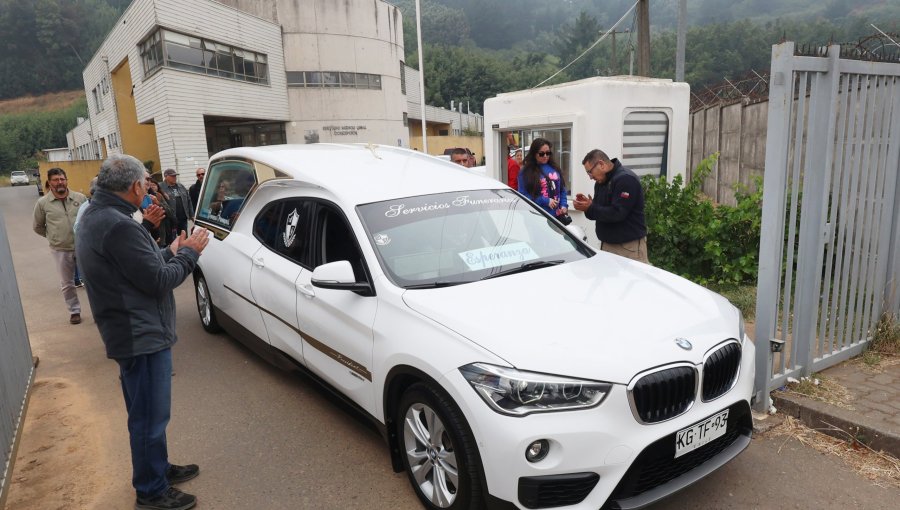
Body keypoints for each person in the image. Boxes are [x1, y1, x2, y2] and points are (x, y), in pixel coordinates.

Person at [75, 154, 209, 510]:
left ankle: (158, 469)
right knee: (149, 417)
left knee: (148, 413)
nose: (148, 191)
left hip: (131, 329)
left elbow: (137, 267)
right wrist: (190, 254)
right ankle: (151, 491)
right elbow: (157, 281)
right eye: (146, 186)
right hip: (139, 334)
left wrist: (170, 249)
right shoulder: (117, 224)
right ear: (135, 186)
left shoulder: (99, 216)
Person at [574, 149, 649, 263]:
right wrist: (587, 207)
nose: (590, 177)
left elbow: (617, 213)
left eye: (590, 172)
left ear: (601, 164)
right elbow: (598, 213)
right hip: (607, 245)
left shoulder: (625, 179)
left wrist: (591, 207)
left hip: (628, 248)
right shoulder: (600, 183)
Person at [33, 167, 86, 325]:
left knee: (91, 279)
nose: (59, 182)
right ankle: (74, 311)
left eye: (62, 179)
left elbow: (89, 219)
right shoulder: (43, 203)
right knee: (67, 283)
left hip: (83, 247)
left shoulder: (80, 198)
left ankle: (100, 311)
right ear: (50, 183)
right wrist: (53, 237)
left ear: (66, 180)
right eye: (56, 180)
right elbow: (38, 226)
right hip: (60, 250)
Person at [517, 138, 569, 223]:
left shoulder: (554, 168)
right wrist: (546, 201)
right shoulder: (525, 172)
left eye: (548, 153)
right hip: (536, 218)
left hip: (557, 218)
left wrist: (564, 205)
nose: (545, 156)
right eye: (541, 154)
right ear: (534, 154)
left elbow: (562, 189)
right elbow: (523, 195)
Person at [159, 168, 193, 235]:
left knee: (184, 237)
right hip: (170, 219)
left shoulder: (181, 186)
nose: (175, 177)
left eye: (175, 176)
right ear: (166, 176)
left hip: (183, 218)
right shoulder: (160, 187)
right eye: (172, 176)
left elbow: (188, 200)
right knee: (173, 239)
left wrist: (191, 214)